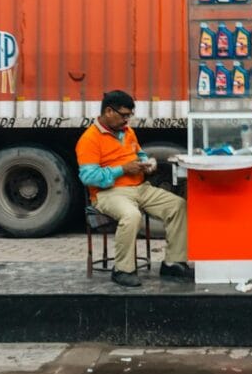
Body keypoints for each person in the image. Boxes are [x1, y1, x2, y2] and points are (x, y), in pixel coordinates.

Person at [76, 90, 193, 287]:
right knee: (131, 215)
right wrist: (122, 170)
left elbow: (138, 153)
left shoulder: (127, 132)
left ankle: (173, 262)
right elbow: (88, 177)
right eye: (124, 115)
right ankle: (122, 269)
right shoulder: (89, 139)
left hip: (140, 187)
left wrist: (147, 162)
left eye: (129, 115)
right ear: (108, 111)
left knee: (178, 205)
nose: (127, 120)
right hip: (109, 193)